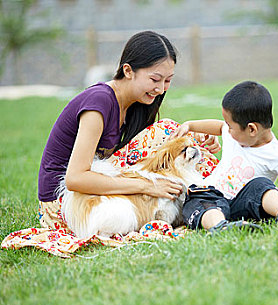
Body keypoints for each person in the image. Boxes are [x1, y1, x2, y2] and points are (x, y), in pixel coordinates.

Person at [37, 30, 220, 231]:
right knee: (165, 131)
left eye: (167, 80)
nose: (160, 89)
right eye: (155, 79)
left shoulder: (137, 103)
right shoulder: (99, 101)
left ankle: (216, 199)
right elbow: (74, 179)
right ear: (128, 71)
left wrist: (198, 141)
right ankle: (212, 202)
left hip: (94, 194)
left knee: (172, 139)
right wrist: (147, 185)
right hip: (67, 204)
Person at [175, 80, 278, 234]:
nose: (227, 129)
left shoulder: (277, 153)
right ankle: (220, 226)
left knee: (262, 186)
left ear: (252, 129)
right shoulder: (234, 134)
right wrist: (190, 125)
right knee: (199, 199)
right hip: (212, 196)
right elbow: (219, 126)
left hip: (243, 205)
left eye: (231, 126)